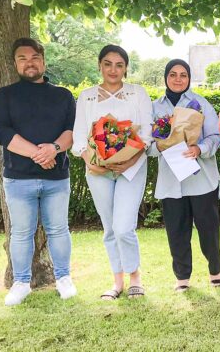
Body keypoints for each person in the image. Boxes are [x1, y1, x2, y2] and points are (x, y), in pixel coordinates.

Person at [0, 37, 77, 306]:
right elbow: (1, 133)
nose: (30, 63)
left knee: (59, 229)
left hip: (56, 178)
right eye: (23, 58)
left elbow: (72, 132)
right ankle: (21, 283)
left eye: (35, 57)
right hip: (18, 179)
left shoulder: (62, 95)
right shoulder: (3, 96)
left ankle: (64, 279)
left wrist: (53, 148)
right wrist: (40, 154)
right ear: (15, 63)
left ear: (43, 61)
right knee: (21, 232)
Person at [72, 45, 153, 300]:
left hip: (132, 169)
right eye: (108, 64)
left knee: (123, 226)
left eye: (119, 65)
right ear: (100, 66)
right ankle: (117, 282)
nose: (113, 70)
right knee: (109, 227)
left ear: (126, 68)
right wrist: (89, 161)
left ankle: (135, 277)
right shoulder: (86, 97)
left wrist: (131, 160)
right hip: (97, 171)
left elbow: (147, 134)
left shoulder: (137, 93)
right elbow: (79, 136)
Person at [151, 59, 220, 292]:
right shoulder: (154, 108)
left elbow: (215, 137)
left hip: (201, 180)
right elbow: (146, 144)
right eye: (173, 74)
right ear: (166, 77)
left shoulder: (201, 104)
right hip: (171, 182)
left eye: (183, 74)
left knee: (208, 231)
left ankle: (216, 271)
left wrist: (199, 149)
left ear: (189, 78)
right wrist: (159, 146)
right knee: (176, 231)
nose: (178, 79)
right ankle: (182, 277)